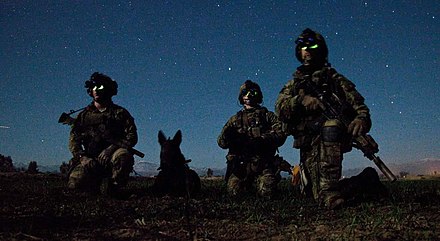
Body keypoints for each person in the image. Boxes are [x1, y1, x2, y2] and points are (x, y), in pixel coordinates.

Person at [275, 28, 372, 209]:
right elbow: (280, 108)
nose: (308, 50)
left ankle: (330, 192)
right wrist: (300, 101)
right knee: (312, 192)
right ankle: (366, 180)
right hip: (308, 146)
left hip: (331, 143)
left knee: (332, 125)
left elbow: (360, 107)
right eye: (304, 47)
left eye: (312, 46)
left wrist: (361, 120)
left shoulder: (335, 80)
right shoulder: (295, 85)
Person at [67, 72, 138, 195]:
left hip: (112, 156)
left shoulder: (119, 113)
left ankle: (114, 187)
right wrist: (82, 157)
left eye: (100, 87)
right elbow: (74, 140)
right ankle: (95, 183)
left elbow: (132, 137)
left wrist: (111, 149)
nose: (96, 91)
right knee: (75, 184)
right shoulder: (83, 116)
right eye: (93, 88)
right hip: (90, 158)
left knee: (124, 156)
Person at [218, 80, 286, 198]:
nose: (248, 96)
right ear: (241, 96)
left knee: (267, 192)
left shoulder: (267, 116)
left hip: (263, 163)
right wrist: (228, 136)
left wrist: (263, 140)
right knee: (235, 193)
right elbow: (221, 143)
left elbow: (281, 133)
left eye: (252, 93)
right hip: (241, 167)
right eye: (245, 93)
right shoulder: (235, 119)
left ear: (258, 95)